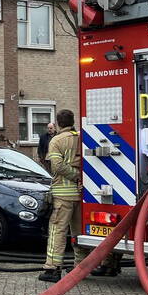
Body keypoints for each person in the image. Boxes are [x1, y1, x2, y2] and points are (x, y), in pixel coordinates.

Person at [38, 110, 120, 283]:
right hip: (83, 194)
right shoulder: (83, 137)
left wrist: (75, 176)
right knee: (79, 232)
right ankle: (80, 266)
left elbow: (57, 167)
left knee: (57, 230)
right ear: (72, 121)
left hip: (63, 193)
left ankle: (52, 268)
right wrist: (81, 178)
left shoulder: (56, 140)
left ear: (58, 123)